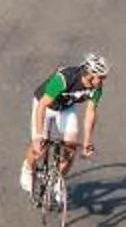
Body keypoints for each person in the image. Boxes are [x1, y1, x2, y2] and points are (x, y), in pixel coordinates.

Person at [19, 53, 108, 193]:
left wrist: (87, 141)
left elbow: (90, 113)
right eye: (101, 77)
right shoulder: (64, 79)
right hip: (45, 106)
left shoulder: (97, 88)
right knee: (40, 146)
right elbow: (42, 106)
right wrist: (37, 136)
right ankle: (28, 167)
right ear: (90, 74)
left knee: (70, 146)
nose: (104, 80)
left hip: (66, 108)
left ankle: (57, 182)